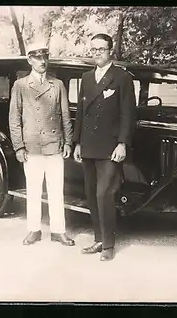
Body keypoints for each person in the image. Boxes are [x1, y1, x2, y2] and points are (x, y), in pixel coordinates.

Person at [73, 33, 137, 261]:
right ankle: (98, 239)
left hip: (110, 148)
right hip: (89, 146)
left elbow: (128, 114)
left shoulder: (122, 78)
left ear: (110, 51)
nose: (97, 52)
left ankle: (109, 245)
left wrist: (122, 143)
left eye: (101, 48)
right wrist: (77, 142)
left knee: (104, 194)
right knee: (91, 194)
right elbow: (81, 113)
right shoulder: (86, 77)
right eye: (94, 49)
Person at [9, 42, 75, 247]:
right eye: (37, 57)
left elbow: (65, 116)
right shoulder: (20, 85)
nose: (42, 61)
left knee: (56, 189)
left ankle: (58, 231)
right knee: (34, 189)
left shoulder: (58, 85)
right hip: (32, 147)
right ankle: (34, 230)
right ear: (29, 60)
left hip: (54, 145)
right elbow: (14, 118)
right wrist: (19, 146)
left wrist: (68, 142)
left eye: (45, 56)